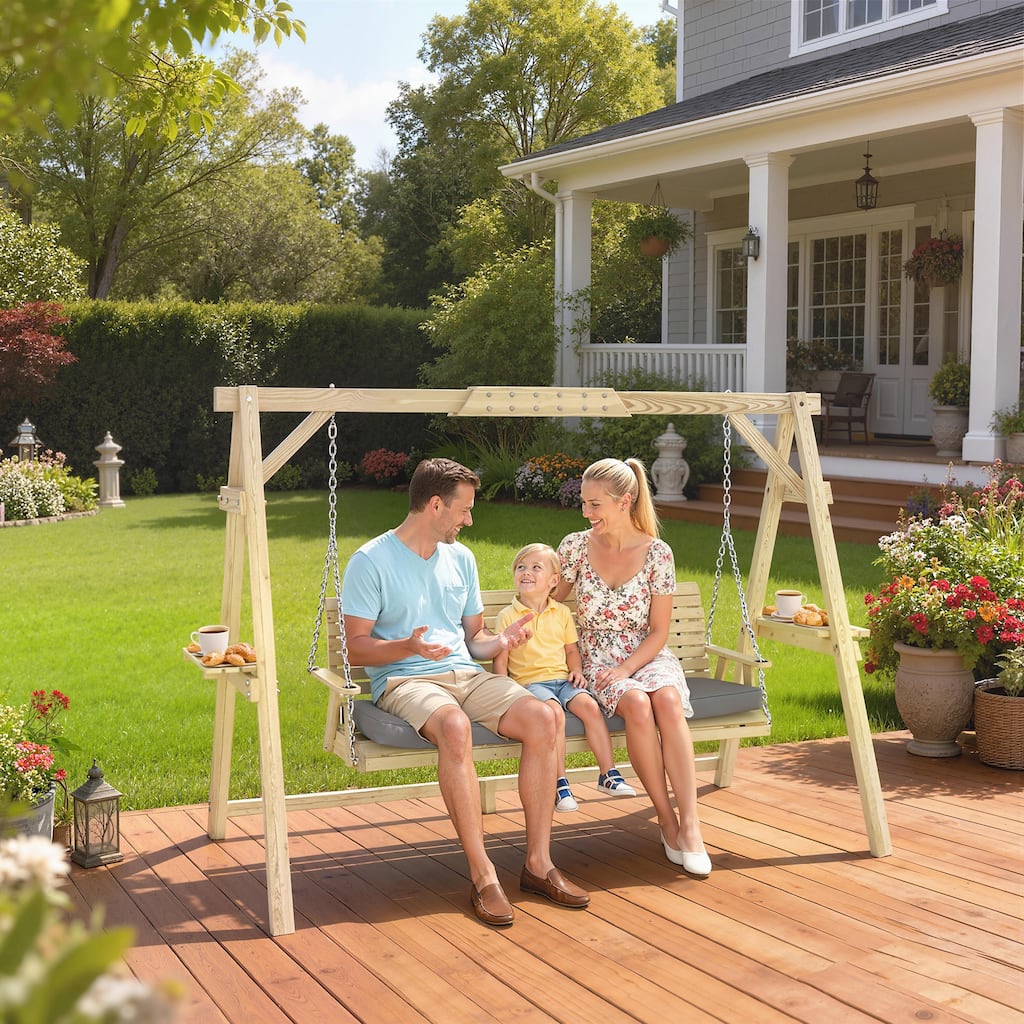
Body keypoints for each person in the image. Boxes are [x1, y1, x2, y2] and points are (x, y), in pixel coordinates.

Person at [341, 458, 591, 927]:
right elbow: (356, 648)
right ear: (435, 505)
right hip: (405, 680)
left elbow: (473, 642)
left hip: (464, 674)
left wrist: (502, 642)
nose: (469, 520)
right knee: (455, 728)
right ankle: (483, 875)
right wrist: (406, 646)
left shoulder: (462, 558)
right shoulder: (370, 561)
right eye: (464, 510)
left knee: (542, 717)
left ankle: (538, 864)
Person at [553, 457, 712, 878]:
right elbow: (549, 603)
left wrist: (629, 666)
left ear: (625, 501)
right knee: (639, 706)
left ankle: (691, 824)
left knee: (668, 699)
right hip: (597, 661)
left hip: (646, 654)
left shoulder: (658, 553)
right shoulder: (574, 547)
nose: (587, 514)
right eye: (584, 504)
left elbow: (659, 631)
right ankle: (666, 818)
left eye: (595, 505)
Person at [492, 542, 637, 812]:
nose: (526, 571)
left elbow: (571, 650)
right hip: (531, 685)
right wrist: (505, 690)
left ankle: (608, 774)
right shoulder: (508, 616)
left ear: (553, 580)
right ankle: (560, 784)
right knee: (555, 713)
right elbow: (499, 659)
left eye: (536, 567)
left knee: (590, 707)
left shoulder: (561, 613)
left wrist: (577, 671)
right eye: (521, 567)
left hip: (563, 680)